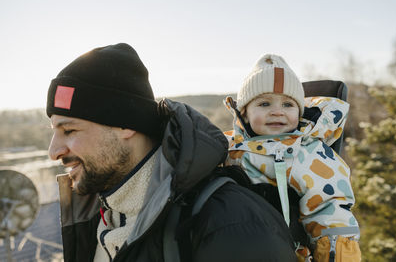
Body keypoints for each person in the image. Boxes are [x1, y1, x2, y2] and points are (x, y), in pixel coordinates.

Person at [47, 43, 297, 262]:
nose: (53, 151)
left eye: (69, 130)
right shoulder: (98, 214)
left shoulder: (233, 227)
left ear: (124, 125)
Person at [223, 54, 362, 262]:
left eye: (288, 105)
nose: (277, 112)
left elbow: (331, 211)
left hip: (284, 251)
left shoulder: (308, 153)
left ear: (299, 111)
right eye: (264, 104)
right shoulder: (227, 145)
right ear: (244, 113)